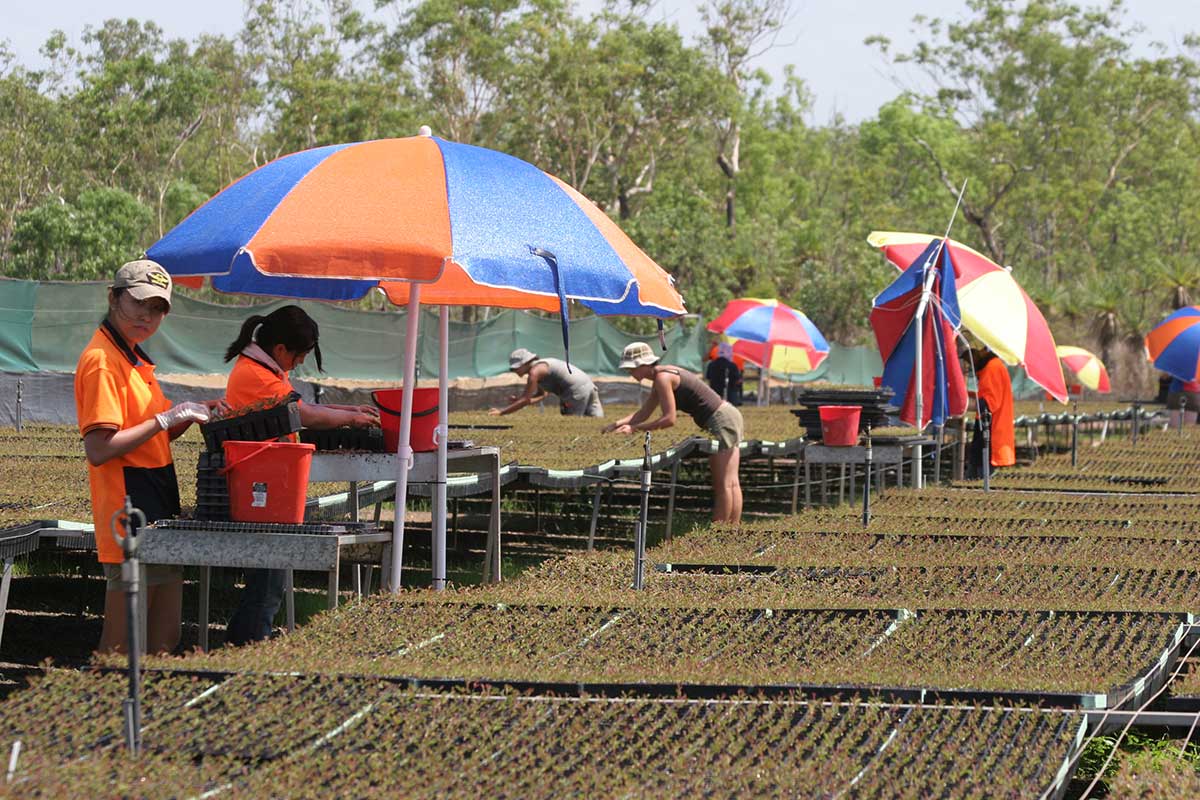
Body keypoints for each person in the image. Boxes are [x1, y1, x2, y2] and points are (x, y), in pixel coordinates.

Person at [75, 259, 217, 654]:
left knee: (162, 640)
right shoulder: (102, 362)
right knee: (121, 645)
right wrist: (161, 419)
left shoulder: (134, 360)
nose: (147, 315)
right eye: (138, 303)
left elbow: (155, 435)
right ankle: (98, 712)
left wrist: (188, 412)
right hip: (129, 512)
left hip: (158, 504)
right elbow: (100, 449)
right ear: (113, 297)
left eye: (157, 308)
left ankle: (150, 714)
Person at [221, 305, 379, 645]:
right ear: (281, 350)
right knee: (266, 580)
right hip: (259, 492)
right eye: (301, 355)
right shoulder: (255, 376)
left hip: (270, 487)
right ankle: (245, 647)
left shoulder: (267, 369)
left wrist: (349, 410)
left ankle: (247, 642)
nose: (301, 362)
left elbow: (299, 406)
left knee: (270, 579)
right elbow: (301, 413)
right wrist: (348, 418)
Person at [603, 342, 744, 523]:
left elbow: (669, 419)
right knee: (730, 482)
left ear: (642, 365)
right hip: (728, 415)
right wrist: (615, 425)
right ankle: (731, 531)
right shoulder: (662, 375)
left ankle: (720, 534)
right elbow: (643, 413)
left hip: (720, 420)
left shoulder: (662, 379)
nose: (629, 373)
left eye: (631, 368)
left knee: (724, 483)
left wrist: (634, 429)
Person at [489, 348, 603, 417]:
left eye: (515, 368)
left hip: (574, 392)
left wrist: (501, 412)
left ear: (525, 363)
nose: (515, 371)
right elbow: (542, 395)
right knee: (595, 422)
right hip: (589, 386)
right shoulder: (540, 367)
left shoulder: (535, 372)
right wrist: (520, 401)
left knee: (572, 421)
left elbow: (526, 399)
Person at [965, 346, 1015, 475]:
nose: (969, 366)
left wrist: (964, 404)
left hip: (991, 428)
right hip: (986, 424)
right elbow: (986, 393)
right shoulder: (991, 367)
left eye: (969, 361)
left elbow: (990, 402)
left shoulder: (992, 368)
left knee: (982, 471)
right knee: (977, 465)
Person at [705, 342, 743, 406]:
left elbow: (708, 378)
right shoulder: (732, 366)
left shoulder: (711, 365)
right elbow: (737, 381)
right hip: (729, 397)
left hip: (714, 396)